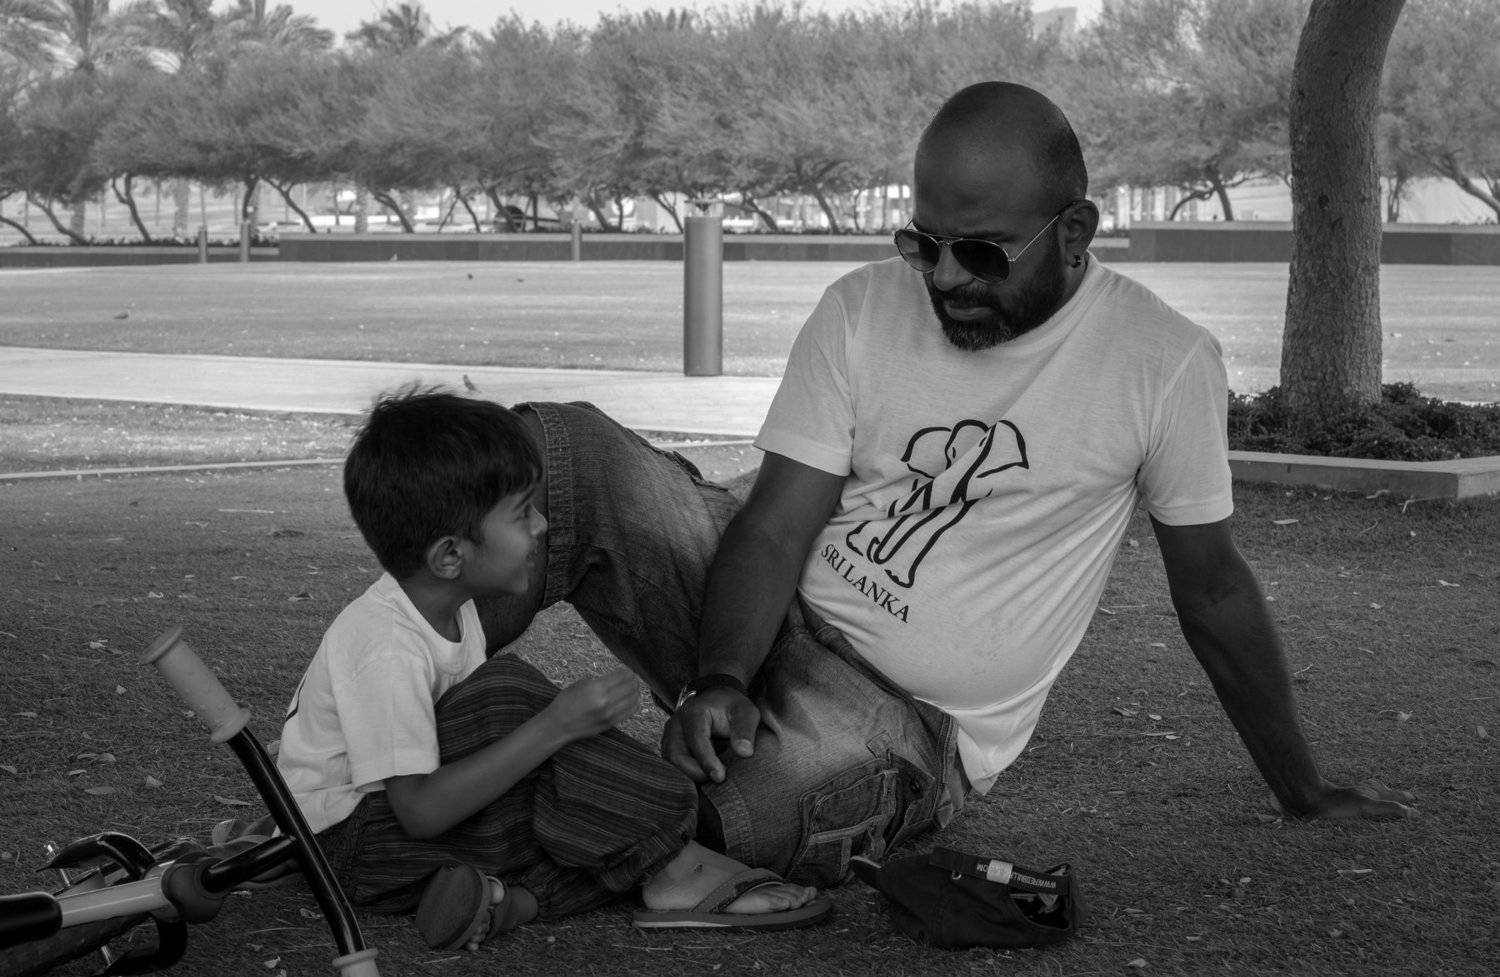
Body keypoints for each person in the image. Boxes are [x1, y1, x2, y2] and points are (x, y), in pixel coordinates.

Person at [477, 80, 1413, 890]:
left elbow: (1212, 591)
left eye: (983, 252)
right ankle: (418, 722)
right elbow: (772, 527)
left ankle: (475, 798)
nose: (946, 277)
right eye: (924, 244)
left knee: (737, 816)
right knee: (552, 454)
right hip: (761, 614)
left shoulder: (1162, 363)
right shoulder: (861, 306)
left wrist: (1302, 789)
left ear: (1075, 232)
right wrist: (720, 678)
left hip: (900, 726)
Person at [275, 386, 829, 951]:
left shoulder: (449, 609)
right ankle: (677, 862)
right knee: (508, 701)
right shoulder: (385, 643)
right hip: (349, 845)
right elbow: (418, 811)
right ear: (450, 555)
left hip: (392, 834)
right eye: (522, 513)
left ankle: (513, 901)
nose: (541, 525)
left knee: (573, 812)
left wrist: (554, 737)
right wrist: (555, 725)